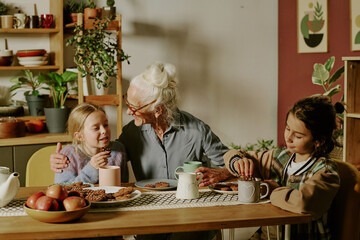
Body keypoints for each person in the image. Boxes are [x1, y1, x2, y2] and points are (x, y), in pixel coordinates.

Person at [50, 62, 233, 240]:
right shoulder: (131, 133)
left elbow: (230, 162)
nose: (128, 112)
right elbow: (108, 153)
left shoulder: (196, 129)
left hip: (192, 213)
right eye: (127, 101)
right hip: (150, 214)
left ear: (158, 110)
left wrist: (221, 172)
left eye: (133, 107)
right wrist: (62, 158)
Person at [224, 95, 341, 240]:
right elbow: (233, 154)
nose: (288, 137)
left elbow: (304, 203)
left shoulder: (325, 172)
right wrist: (237, 160)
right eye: (287, 128)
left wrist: (273, 190)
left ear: (318, 140)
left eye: (298, 136)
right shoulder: (280, 157)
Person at [55, 103, 128, 184]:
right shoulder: (68, 154)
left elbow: (123, 185)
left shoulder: (118, 150)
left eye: (106, 125)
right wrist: (92, 168)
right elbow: (63, 188)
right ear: (80, 136)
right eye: (96, 128)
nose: (104, 131)